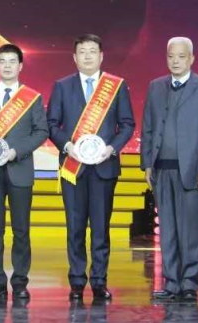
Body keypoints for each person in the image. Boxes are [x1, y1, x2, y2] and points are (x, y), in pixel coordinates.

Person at [47, 34, 135, 301]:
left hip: (103, 168)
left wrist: (112, 148)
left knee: (100, 228)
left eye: (92, 51)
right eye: (82, 52)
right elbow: (52, 124)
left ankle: (99, 280)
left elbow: (127, 124)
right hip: (73, 167)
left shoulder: (116, 86)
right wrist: (67, 146)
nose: (87, 56)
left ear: (101, 56)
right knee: (75, 227)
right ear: (74, 58)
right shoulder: (62, 86)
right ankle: (76, 281)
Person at [141, 37, 198, 302]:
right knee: (167, 231)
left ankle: (189, 284)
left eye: (181, 56)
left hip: (193, 170)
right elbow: (148, 127)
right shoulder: (155, 87)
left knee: (189, 231)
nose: (175, 61)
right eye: (171, 56)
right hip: (161, 170)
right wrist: (147, 164)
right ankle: (171, 283)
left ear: (191, 59)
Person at [0, 43, 48, 300]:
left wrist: (17, 151)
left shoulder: (32, 97)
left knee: (21, 230)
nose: (7, 66)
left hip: (19, 170)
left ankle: (20, 282)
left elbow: (41, 131)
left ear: (21, 66)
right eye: (2, 61)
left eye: (12, 61)